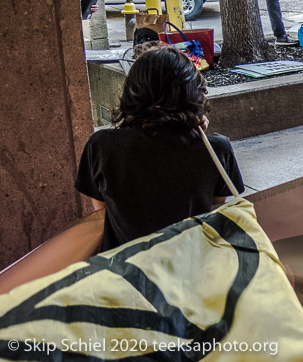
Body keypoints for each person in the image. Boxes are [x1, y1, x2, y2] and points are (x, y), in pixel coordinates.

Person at [75, 46, 245, 251]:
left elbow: (102, 211)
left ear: (131, 92)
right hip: (193, 269)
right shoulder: (217, 149)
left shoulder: (102, 146)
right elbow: (214, 209)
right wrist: (194, 129)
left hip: (127, 271)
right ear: (194, 93)